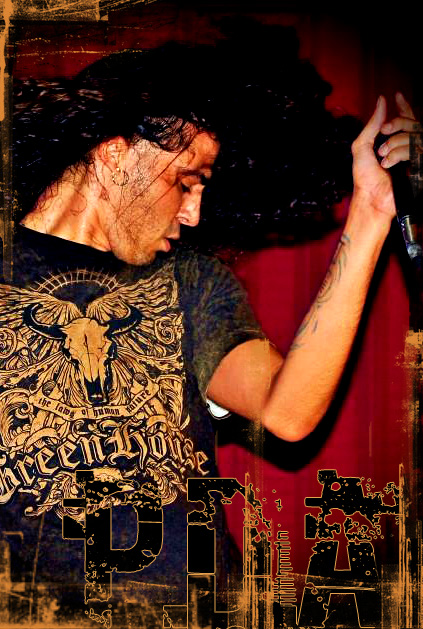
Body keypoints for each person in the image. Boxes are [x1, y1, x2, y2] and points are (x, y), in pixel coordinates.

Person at [1, 41, 417, 626]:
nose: (193, 214)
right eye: (186, 182)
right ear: (116, 155)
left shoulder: (188, 281)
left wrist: (371, 213)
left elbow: (287, 412)